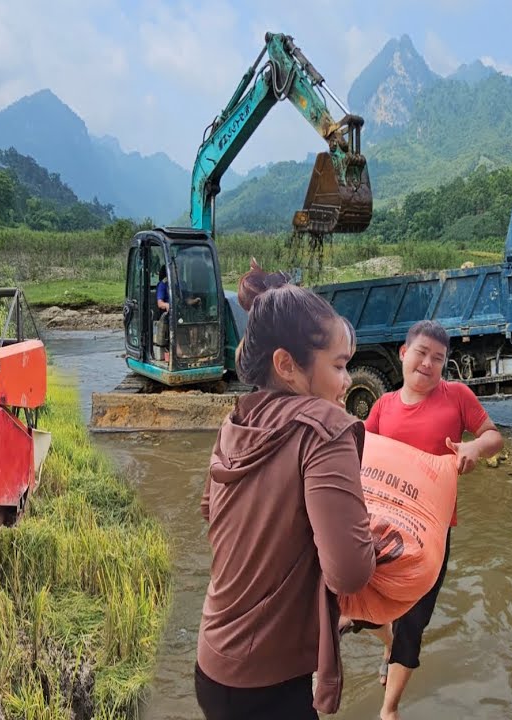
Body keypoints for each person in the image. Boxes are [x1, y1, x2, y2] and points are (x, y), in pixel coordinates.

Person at [197, 268, 375, 720]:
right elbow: (350, 572)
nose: (347, 381)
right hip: (269, 685)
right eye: (338, 366)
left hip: (212, 663)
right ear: (286, 365)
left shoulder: (237, 421)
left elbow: (211, 511)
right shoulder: (325, 430)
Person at [355, 319, 504, 720]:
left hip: (431, 534)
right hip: (381, 530)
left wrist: (474, 449)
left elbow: (493, 436)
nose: (427, 363)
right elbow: (358, 451)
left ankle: (389, 709)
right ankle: (387, 641)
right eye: (421, 353)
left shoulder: (457, 396)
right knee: (361, 605)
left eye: (438, 358)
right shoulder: (383, 406)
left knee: (414, 622)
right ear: (404, 353)